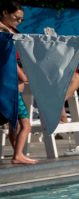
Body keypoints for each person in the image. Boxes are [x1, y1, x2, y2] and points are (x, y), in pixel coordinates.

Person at [0, 0, 34, 164]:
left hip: (10, 85)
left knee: (16, 124)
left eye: (21, 19)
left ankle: (17, 154)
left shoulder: (10, 30)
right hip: (7, 85)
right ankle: (18, 154)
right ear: (5, 12)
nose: (19, 21)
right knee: (24, 124)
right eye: (16, 17)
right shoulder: (4, 30)